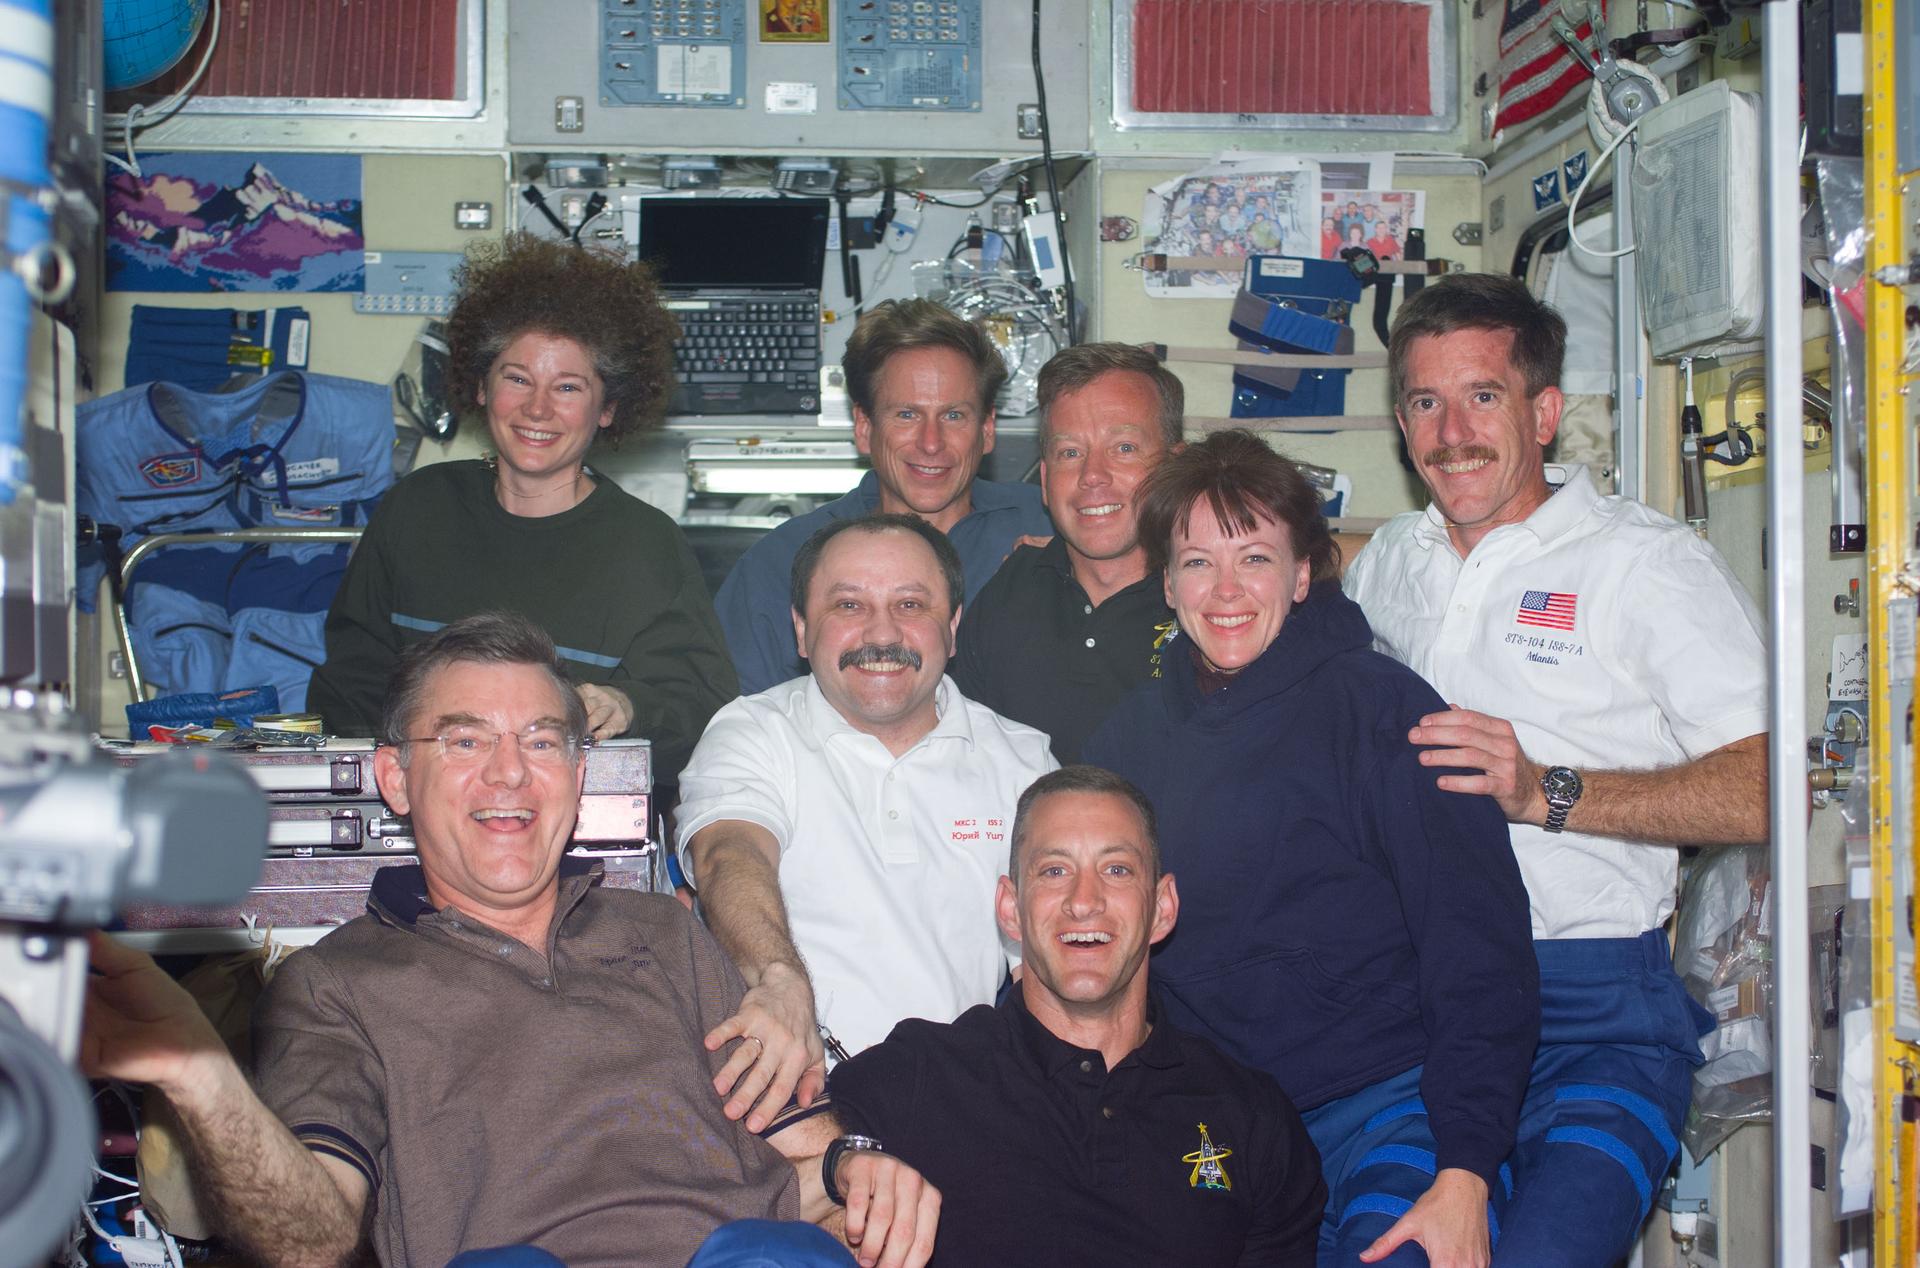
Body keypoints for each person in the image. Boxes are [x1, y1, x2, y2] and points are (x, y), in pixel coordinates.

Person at [80, 613, 938, 1268]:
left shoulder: (666, 934)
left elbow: (809, 1167)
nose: (508, 772)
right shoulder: (334, 983)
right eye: (464, 740)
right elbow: (312, 1238)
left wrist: (858, 1174)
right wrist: (194, 1069)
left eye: (540, 741)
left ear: (577, 773)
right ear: (394, 778)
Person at [1342, 272, 1767, 1266]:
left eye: (1483, 396)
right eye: (1425, 402)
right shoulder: (1389, 565)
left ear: (1543, 413)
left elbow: (1764, 788)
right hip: (1415, 1009)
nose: (1452, 433)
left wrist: (1546, 790)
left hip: (1593, 1011)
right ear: (1400, 422)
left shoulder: (1644, 563)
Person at [1082, 430, 1540, 1268]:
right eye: (1197, 562)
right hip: (1215, 1124)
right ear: (1167, 583)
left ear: (1301, 576)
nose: (1226, 590)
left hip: (1387, 1108)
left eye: (1254, 559)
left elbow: (1478, 949)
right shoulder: (1125, 745)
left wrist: (1467, 1169)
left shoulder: (1388, 714)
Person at [825, 765, 1328, 1267]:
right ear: (1010, 908)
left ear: (1162, 908)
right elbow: (783, 1168)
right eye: (1054, 871)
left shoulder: (1252, 1116)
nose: (1084, 902)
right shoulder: (922, 1073)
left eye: (1117, 870)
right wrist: (840, 1164)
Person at [305, 234, 737, 790]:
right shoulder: (415, 509)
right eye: (517, 378)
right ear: (481, 387)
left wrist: (628, 705)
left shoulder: (646, 545)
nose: (537, 408)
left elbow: (701, 708)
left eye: (567, 387)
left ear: (608, 408)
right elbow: (349, 682)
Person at [677, 513, 1057, 1131]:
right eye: (849, 605)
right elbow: (729, 855)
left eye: (910, 604)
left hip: (964, 1112)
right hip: (791, 1105)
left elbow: (1050, 964)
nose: (882, 633)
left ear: (952, 628)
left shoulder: (1023, 763)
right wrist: (779, 979)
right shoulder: (751, 731)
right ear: (802, 630)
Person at [714, 300, 1053, 694]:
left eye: (954, 415)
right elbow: (737, 718)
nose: (931, 443)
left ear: (987, 428)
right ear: (864, 427)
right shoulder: (778, 565)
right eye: (906, 414)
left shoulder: (1052, 528)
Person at [951, 344, 1182, 764]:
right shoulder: (1006, 594)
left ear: (1177, 468)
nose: (1092, 475)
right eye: (1070, 453)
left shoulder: (1215, 600)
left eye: (1124, 448)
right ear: (1045, 480)